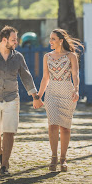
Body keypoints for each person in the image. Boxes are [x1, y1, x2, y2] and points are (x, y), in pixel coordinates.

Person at [0, 26, 43, 175]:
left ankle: (4, 165)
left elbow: (26, 77)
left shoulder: (18, 57)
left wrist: (35, 96)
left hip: (12, 98)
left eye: (16, 39)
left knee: (9, 131)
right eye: (13, 40)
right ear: (4, 40)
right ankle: (1, 152)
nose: (16, 43)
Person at [37, 29, 83, 172]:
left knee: (65, 127)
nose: (50, 42)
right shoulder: (47, 56)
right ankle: (54, 157)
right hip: (51, 93)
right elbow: (45, 78)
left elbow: (75, 75)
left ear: (61, 41)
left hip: (67, 92)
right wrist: (38, 96)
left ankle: (63, 158)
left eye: (53, 39)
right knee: (52, 125)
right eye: (50, 39)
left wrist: (76, 90)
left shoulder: (71, 56)